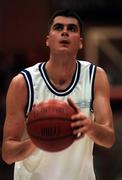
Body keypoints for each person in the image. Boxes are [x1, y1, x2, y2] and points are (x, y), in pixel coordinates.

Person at [2, 9, 115, 180]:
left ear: (81, 42)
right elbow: (8, 153)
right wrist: (38, 139)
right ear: (48, 40)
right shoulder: (23, 83)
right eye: (58, 27)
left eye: (72, 29)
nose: (65, 32)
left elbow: (109, 138)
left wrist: (89, 126)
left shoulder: (95, 77)